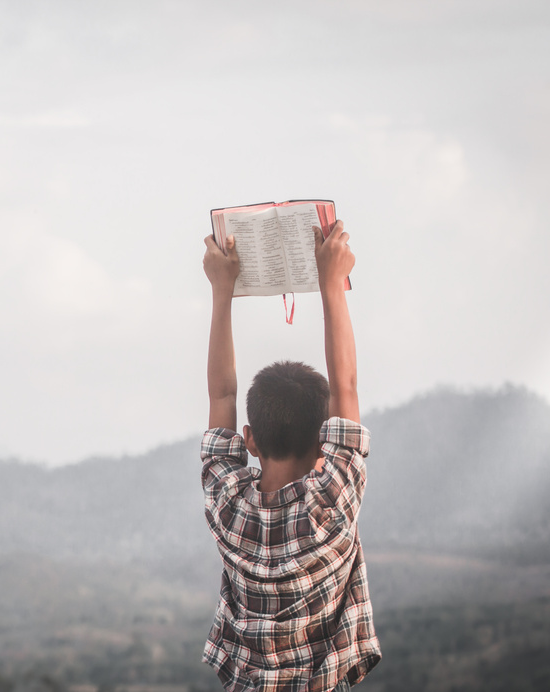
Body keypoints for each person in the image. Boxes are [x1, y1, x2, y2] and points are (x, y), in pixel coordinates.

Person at [200, 220, 381, 691]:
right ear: (326, 441)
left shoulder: (229, 506)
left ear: (250, 440)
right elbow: (346, 386)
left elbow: (222, 394)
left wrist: (223, 291)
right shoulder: (331, 506)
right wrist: (331, 284)